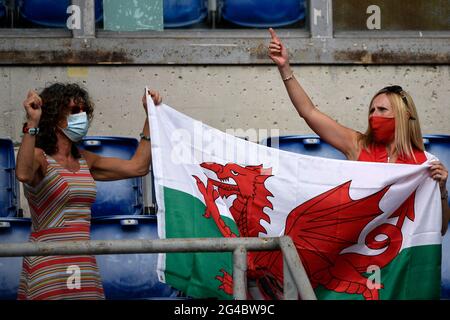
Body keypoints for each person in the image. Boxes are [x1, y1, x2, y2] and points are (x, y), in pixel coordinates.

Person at [267, 28, 450, 235]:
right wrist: (285, 68)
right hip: (358, 259)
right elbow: (309, 112)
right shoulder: (358, 146)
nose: (374, 116)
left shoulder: (426, 164)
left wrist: (442, 190)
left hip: (400, 263)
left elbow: (440, 230)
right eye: (372, 110)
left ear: (404, 115)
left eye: (382, 110)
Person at [15, 83, 161, 300]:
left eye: (84, 111)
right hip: (48, 261)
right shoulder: (39, 157)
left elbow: (137, 167)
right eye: (74, 111)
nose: (81, 116)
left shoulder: (86, 159)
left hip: (82, 259)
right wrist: (32, 123)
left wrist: (150, 117)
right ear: (55, 117)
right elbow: (24, 174)